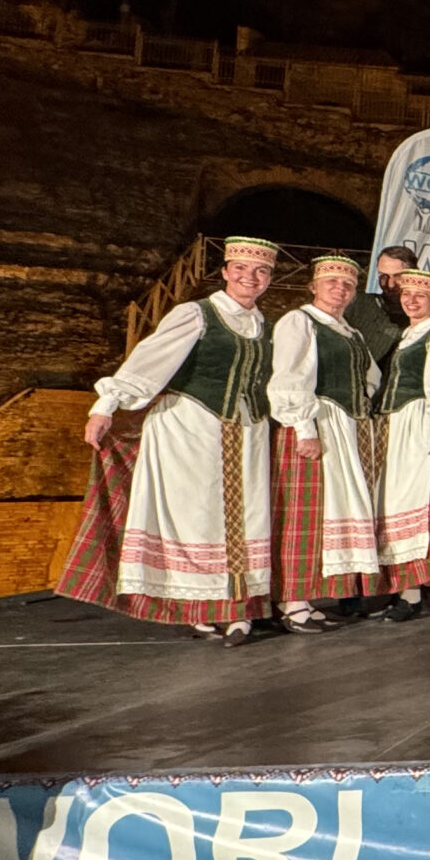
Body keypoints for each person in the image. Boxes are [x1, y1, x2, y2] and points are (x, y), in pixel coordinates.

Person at [63, 235, 278, 644]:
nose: (250, 278)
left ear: (269, 279)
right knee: (196, 518)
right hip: (190, 427)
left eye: (261, 271)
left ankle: (238, 609)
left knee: (246, 517)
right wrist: (106, 406)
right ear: (225, 272)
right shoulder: (196, 314)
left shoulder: (264, 326)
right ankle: (198, 608)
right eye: (241, 269)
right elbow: (150, 360)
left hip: (247, 431)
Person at [265, 253, 383, 631]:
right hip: (313, 424)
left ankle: (305, 598)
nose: (340, 289)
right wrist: (305, 428)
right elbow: (289, 376)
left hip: (342, 426)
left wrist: (359, 404)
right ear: (313, 286)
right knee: (303, 512)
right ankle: (291, 601)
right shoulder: (300, 321)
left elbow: (370, 376)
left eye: (347, 285)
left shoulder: (352, 333)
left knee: (327, 515)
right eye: (331, 281)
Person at [370, 268, 430, 619]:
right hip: (395, 423)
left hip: (418, 421)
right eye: (407, 294)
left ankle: (412, 593)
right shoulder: (408, 335)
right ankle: (399, 588)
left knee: (414, 502)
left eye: (420, 296)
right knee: (393, 503)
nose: (411, 301)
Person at [344, 244, 415, 374]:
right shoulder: (359, 304)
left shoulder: (422, 317)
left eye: (398, 277)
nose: (390, 284)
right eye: (383, 276)